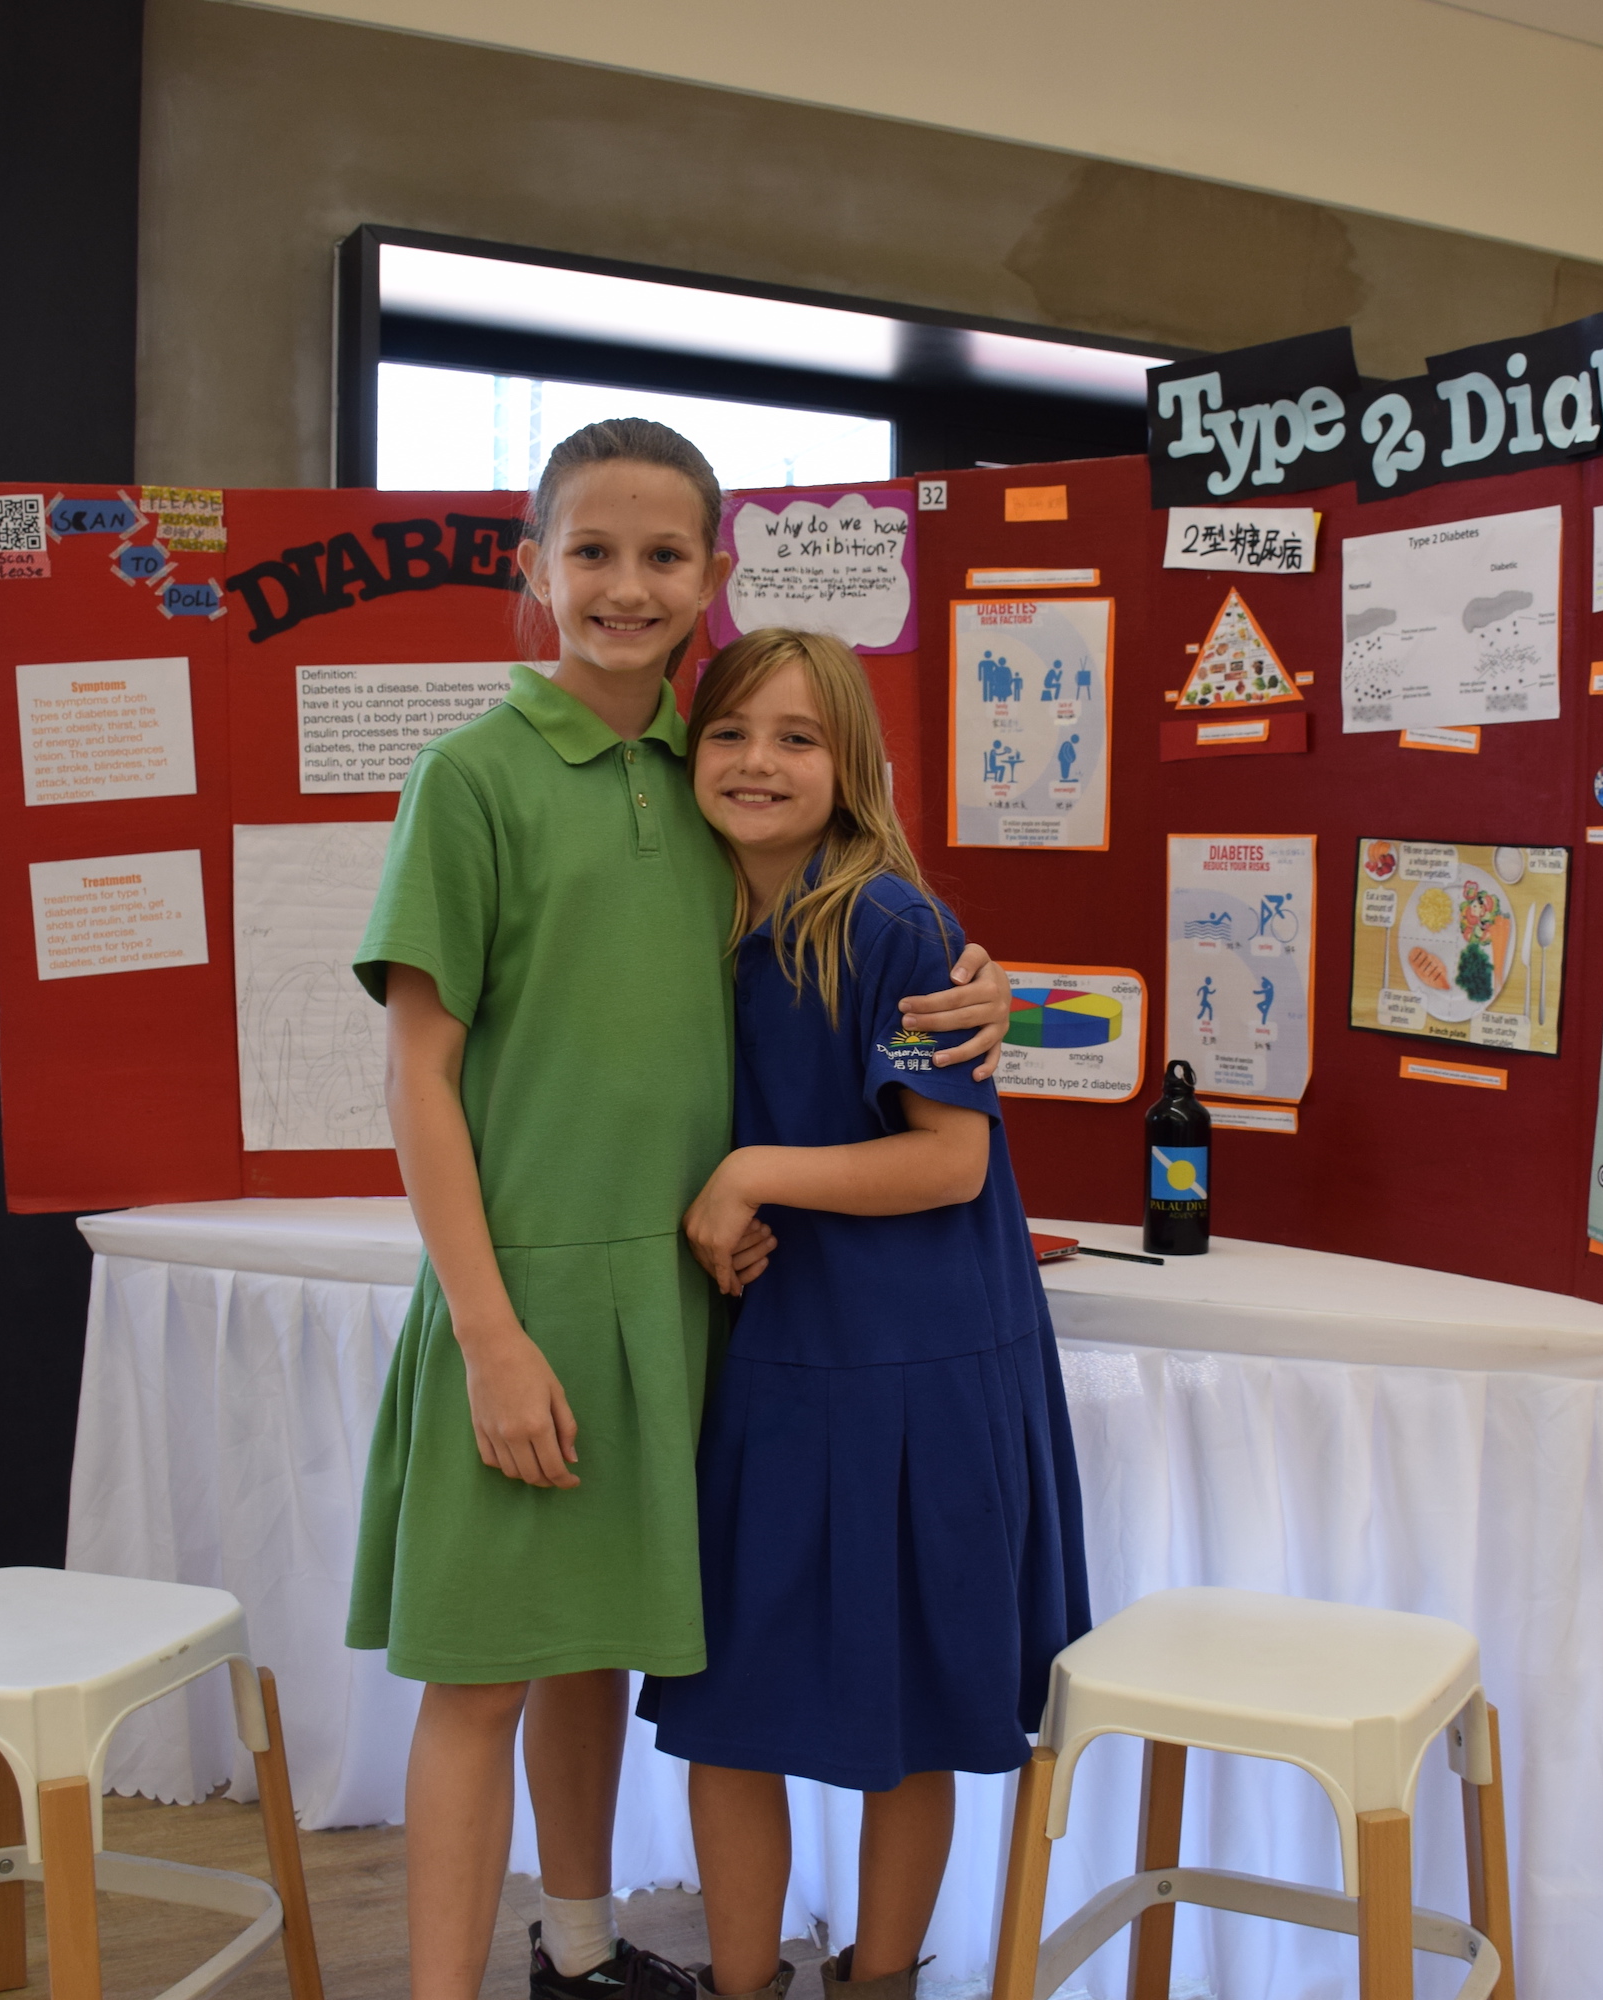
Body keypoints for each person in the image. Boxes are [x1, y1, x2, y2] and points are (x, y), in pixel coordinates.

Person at [347, 422, 1016, 2000]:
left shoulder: (709, 779)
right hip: (527, 1297)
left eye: (662, 557)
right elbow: (418, 1076)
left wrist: (991, 986)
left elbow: (855, 914)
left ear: (714, 577)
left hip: (699, 1300)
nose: (626, 586)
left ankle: (579, 1953)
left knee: (597, 1642)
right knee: (484, 1671)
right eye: (591, 552)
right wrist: (490, 1336)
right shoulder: (472, 778)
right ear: (535, 568)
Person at [640, 627, 1091, 2000]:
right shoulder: (687, 921)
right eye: (730, 733)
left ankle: (881, 1980)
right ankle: (742, 1984)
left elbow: (947, 1161)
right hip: (780, 1359)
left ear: (854, 766)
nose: (759, 762)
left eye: (799, 737)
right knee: (730, 1710)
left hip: (916, 1367)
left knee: (907, 1714)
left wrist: (749, 1175)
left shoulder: (895, 927)